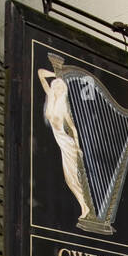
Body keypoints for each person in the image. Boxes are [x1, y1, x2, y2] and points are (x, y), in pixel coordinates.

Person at [37, 66, 91, 223]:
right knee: (70, 178)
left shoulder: (64, 108)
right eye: (57, 86)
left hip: (67, 144)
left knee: (71, 178)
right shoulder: (50, 97)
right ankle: (85, 205)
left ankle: (85, 206)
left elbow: (73, 129)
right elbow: (40, 73)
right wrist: (58, 75)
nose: (59, 89)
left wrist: (79, 147)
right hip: (61, 143)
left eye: (61, 87)